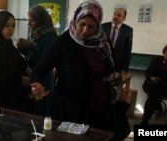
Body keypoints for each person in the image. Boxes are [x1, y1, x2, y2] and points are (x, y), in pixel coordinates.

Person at [31, 1, 130, 140]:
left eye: (91, 26)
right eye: (82, 24)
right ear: (76, 20)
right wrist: (37, 84)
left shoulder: (103, 41)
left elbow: (112, 67)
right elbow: (40, 69)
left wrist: (116, 76)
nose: (85, 30)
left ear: (98, 25)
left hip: (99, 106)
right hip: (71, 108)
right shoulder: (64, 42)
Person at [17, 5, 57, 116]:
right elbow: (32, 58)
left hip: (43, 78)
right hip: (33, 75)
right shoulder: (35, 34)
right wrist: (24, 50)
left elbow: (46, 61)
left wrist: (30, 46)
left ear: (40, 20)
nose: (29, 24)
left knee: (41, 109)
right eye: (28, 21)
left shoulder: (50, 36)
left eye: (32, 21)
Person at [141, 45, 167, 125]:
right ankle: (158, 108)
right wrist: (151, 77)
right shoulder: (156, 60)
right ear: (163, 53)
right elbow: (146, 73)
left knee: (150, 99)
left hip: (163, 88)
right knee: (151, 85)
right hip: (151, 84)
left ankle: (144, 121)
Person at [101, 8, 133, 73]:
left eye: (119, 15)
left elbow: (128, 51)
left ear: (124, 18)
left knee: (115, 82)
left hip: (118, 65)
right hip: (102, 62)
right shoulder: (103, 26)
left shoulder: (128, 30)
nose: (115, 16)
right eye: (114, 14)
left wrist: (125, 69)